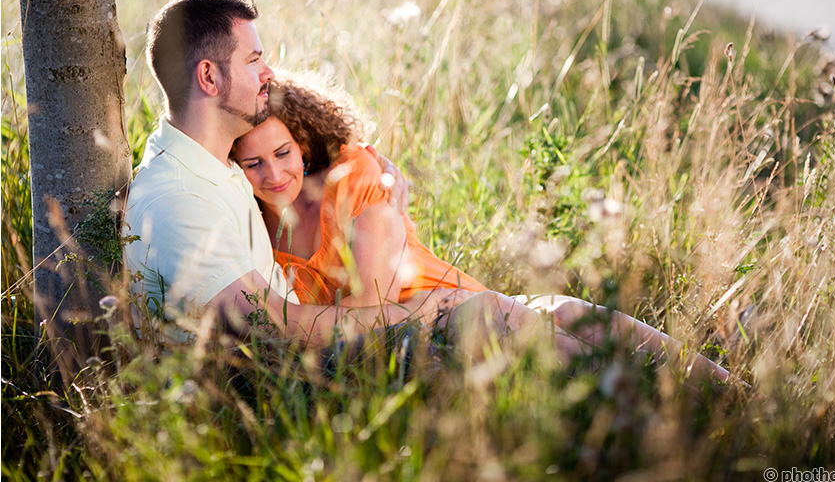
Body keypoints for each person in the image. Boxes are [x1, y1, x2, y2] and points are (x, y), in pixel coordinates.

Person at [231, 72, 736, 384]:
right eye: (254, 164)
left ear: (304, 141)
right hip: (431, 326)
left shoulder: (354, 178)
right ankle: (690, 403)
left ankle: (721, 395)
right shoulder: (249, 219)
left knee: (570, 313)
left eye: (283, 153)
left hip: (445, 308)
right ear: (234, 166)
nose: (274, 174)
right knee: (553, 317)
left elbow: (375, 307)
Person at [123, 0, 468, 349]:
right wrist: (418, 312)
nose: (268, 73)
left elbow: (293, 151)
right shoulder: (179, 198)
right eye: (254, 60)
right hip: (281, 373)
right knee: (480, 315)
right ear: (209, 77)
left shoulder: (213, 163)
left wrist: (370, 163)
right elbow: (267, 324)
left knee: (496, 314)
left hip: (316, 345)